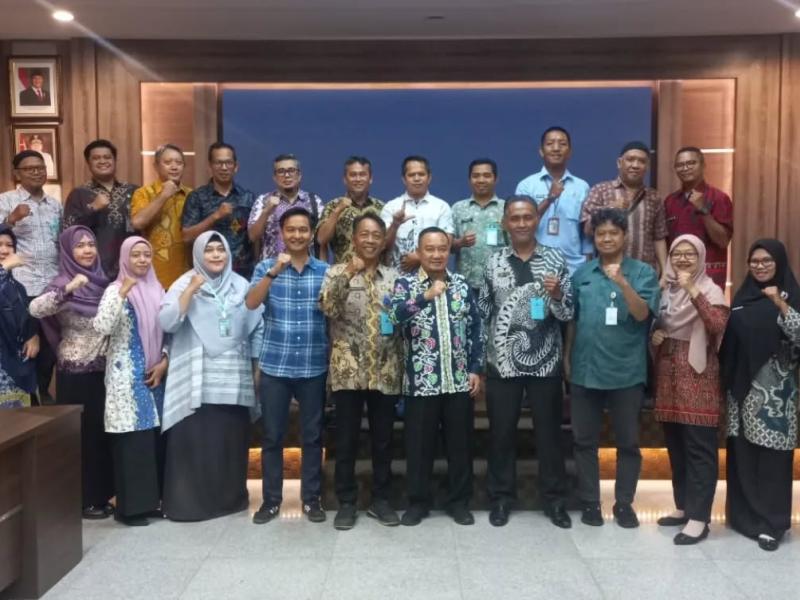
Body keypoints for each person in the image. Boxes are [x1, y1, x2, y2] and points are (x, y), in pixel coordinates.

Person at [478, 196, 573, 529]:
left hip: (545, 363)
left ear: (537, 220)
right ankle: (501, 499)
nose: (521, 223)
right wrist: (481, 361)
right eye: (515, 218)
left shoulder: (555, 258)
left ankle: (555, 501)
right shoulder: (492, 262)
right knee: (501, 435)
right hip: (502, 364)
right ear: (505, 222)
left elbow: (568, 312)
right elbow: (483, 313)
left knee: (549, 436)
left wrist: (558, 295)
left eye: (527, 217)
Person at [158, 232, 264, 521]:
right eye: (209, 250)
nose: (216, 255)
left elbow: (258, 326)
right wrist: (192, 289)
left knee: (228, 443)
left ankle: (229, 501)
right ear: (198, 254)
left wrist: (256, 367)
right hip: (197, 380)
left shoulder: (241, 285)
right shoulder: (183, 283)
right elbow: (167, 322)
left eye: (221, 249)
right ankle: (189, 505)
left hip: (233, 379)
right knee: (196, 444)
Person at [567, 208, 660, 528]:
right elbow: (573, 321)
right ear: (593, 237)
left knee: (628, 443)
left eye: (613, 233)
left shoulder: (643, 272)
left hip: (626, 372)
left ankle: (624, 504)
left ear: (625, 236)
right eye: (600, 233)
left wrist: (621, 282)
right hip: (585, 369)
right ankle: (590, 503)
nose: (606, 238)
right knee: (584, 442)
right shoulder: (582, 274)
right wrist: (567, 358)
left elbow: (642, 315)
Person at [389, 227, 483, 527]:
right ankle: (418, 503)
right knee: (419, 448)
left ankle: (459, 502)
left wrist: (475, 368)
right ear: (419, 252)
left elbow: (476, 328)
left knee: (460, 447)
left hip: (458, 381)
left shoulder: (461, 284)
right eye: (429, 249)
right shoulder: (405, 284)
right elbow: (394, 317)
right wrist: (425, 296)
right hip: (421, 382)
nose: (436, 254)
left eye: (442, 248)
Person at [319, 213, 403, 530]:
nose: (369, 240)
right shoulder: (335, 272)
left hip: (385, 369)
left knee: (383, 442)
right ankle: (346, 503)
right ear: (354, 239)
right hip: (348, 372)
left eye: (375, 235)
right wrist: (348, 273)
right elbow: (328, 307)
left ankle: (381, 501)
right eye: (364, 234)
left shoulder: (394, 277)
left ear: (383, 241)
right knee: (346, 442)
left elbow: (403, 320)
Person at [247, 207, 329, 524]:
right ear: (281, 233)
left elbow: (333, 313)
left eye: (303, 229)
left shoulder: (325, 271)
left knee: (312, 437)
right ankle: (271, 501)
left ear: (311, 233)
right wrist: (273, 273)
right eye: (291, 230)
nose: (297, 235)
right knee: (272, 437)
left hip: (313, 364)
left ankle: (311, 499)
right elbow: (251, 303)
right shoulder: (265, 267)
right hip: (275, 366)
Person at [720, 239, 800, 552]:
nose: (760, 266)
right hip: (740, 392)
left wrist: (780, 303)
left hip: (776, 395)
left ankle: (772, 523)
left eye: (767, 260)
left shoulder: (792, 295)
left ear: (779, 262)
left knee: (772, 461)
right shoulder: (743, 297)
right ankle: (744, 519)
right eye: (754, 261)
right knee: (742, 456)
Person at [29, 225, 113, 519]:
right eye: (79, 245)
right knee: (83, 438)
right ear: (67, 251)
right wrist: (68, 290)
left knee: (102, 434)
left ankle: (102, 495)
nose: (87, 250)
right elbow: (35, 309)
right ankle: (84, 499)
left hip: (106, 371)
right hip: (76, 373)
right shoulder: (61, 283)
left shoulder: (104, 282)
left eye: (91, 244)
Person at [650, 234, 729, 545]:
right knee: (676, 446)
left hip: (699, 376)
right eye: (677, 254)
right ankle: (683, 506)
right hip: (668, 372)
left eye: (690, 254)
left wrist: (692, 290)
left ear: (700, 258)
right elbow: (659, 324)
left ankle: (699, 518)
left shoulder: (711, 289)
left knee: (699, 449)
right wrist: (656, 335)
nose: (682, 259)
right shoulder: (666, 291)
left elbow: (717, 325)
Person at [93, 236, 168, 526]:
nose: (142, 260)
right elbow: (102, 326)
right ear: (125, 258)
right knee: (131, 443)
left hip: (154, 376)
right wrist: (123, 293)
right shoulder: (114, 289)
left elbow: (170, 331)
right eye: (135, 255)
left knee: (150, 442)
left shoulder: (158, 289)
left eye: (146, 255)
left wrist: (164, 361)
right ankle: (129, 509)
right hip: (125, 377)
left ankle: (150, 503)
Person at [0, 150, 62, 404]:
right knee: (25, 345)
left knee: (49, 348)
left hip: (51, 286)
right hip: (22, 286)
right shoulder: (6, 200)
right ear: (17, 173)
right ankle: (26, 399)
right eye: (29, 168)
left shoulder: (55, 205)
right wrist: (11, 219)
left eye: (40, 167)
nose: (37, 172)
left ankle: (42, 394)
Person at [581, 141, 667, 278]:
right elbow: (587, 229)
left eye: (641, 161)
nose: (635, 165)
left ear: (647, 166)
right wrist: (610, 208)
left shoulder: (654, 197)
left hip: (644, 275)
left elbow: (659, 237)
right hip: (607, 274)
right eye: (630, 159)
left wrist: (665, 272)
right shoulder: (600, 190)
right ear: (619, 163)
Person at [515, 126, 592, 275]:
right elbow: (520, 224)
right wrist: (549, 199)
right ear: (541, 151)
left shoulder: (582, 187)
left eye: (562, 144)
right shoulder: (526, 185)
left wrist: (587, 268)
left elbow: (586, 233)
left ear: (570, 151)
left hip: (573, 268)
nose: (556, 148)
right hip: (534, 267)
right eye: (550, 144)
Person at [63, 139, 138, 279]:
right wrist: (93, 208)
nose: (102, 161)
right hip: (95, 269)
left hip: (131, 266)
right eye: (96, 158)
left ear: (115, 160)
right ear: (88, 163)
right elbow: (69, 233)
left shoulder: (133, 191)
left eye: (107, 157)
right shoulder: (79, 194)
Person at [181, 142, 256, 279]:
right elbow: (186, 237)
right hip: (208, 274)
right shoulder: (197, 197)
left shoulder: (248, 197)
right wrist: (215, 216)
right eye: (218, 163)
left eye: (228, 163)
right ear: (210, 167)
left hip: (242, 273)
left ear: (236, 166)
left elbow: (255, 237)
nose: (224, 167)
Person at [664, 147, 733, 290]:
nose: (685, 168)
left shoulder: (719, 198)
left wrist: (703, 210)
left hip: (709, 278)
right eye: (680, 165)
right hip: (677, 277)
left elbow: (723, 241)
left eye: (691, 163)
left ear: (703, 165)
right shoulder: (670, 201)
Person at [130, 144, 192, 289]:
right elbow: (137, 223)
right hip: (154, 275)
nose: (174, 167)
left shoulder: (192, 195)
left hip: (187, 275)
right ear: (156, 166)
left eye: (179, 163)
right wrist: (164, 195)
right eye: (168, 162)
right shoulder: (144, 193)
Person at [381, 156, 454, 272]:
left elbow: (447, 243)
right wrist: (395, 224)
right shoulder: (391, 207)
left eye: (421, 174)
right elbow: (383, 246)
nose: (417, 178)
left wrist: (420, 257)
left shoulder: (441, 207)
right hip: (395, 276)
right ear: (404, 179)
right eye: (411, 175)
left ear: (429, 178)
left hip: (432, 276)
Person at [247, 153, 324, 260]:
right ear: (274, 177)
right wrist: (266, 211)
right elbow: (252, 236)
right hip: (272, 267)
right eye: (281, 171)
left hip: (306, 268)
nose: (287, 175)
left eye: (291, 170)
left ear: (299, 175)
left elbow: (322, 240)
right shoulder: (263, 201)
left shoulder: (313, 201)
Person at [451, 158, 506, 295]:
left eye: (487, 175)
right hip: (465, 284)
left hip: (499, 283)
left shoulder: (506, 208)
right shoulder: (457, 208)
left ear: (496, 179)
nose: (481, 180)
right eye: (476, 176)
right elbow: (447, 247)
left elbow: (517, 247)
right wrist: (460, 242)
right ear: (469, 179)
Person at [315, 156, 384, 264]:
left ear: (370, 178)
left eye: (362, 174)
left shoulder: (381, 207)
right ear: (345, 179)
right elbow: (321, 240)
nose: (358, 179)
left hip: (375, 272)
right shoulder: (333, 206)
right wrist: (338, 210)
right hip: (343, 272)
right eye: (353, 175)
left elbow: (387, 245)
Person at [0, 224, 39, 408]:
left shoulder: (18, 287)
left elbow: (24, 319)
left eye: (9, 245)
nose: (5, 250)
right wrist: (4, 268)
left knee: (20, 422)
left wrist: (33, 334)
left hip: (17, 370)